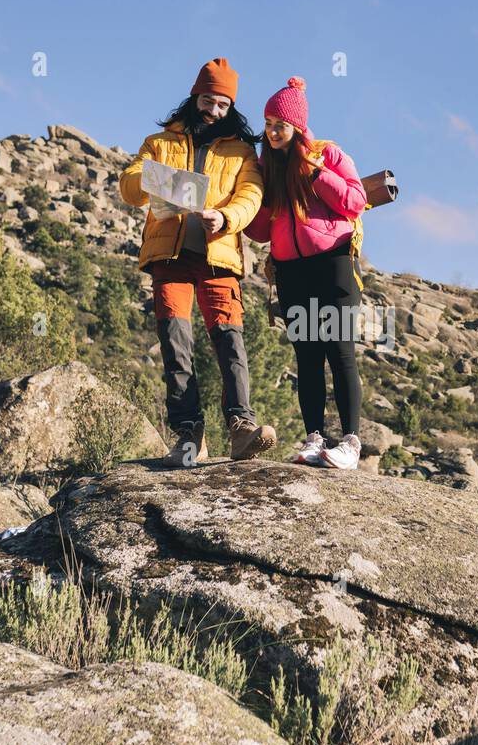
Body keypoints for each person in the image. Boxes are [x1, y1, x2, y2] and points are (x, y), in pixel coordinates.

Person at [119, 57, 277, 466]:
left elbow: (251, 196)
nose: (215, 111)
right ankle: (189, 436)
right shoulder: (160, 143)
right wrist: (161, 181)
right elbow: (129, 187)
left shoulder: (243, 151)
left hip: (219, 256)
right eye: (209, 100)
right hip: (169, 256)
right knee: (176, 345)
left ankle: (241, 429)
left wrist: (224, 217)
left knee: (230, 342)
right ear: (195, 97)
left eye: (223, 105)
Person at [244, 76, 367, 469]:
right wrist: (256, 201)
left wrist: (315, 173)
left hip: (332, 264)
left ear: (297, 126)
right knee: (307, 358)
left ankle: (350, 440)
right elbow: (261, 230)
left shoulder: (327, 154)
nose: (272, 131)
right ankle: (315, 437)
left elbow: (356, 201)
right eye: (267, 124)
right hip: (291, 272)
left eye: (279, 124)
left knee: (339, 350)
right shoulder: (267, 169)